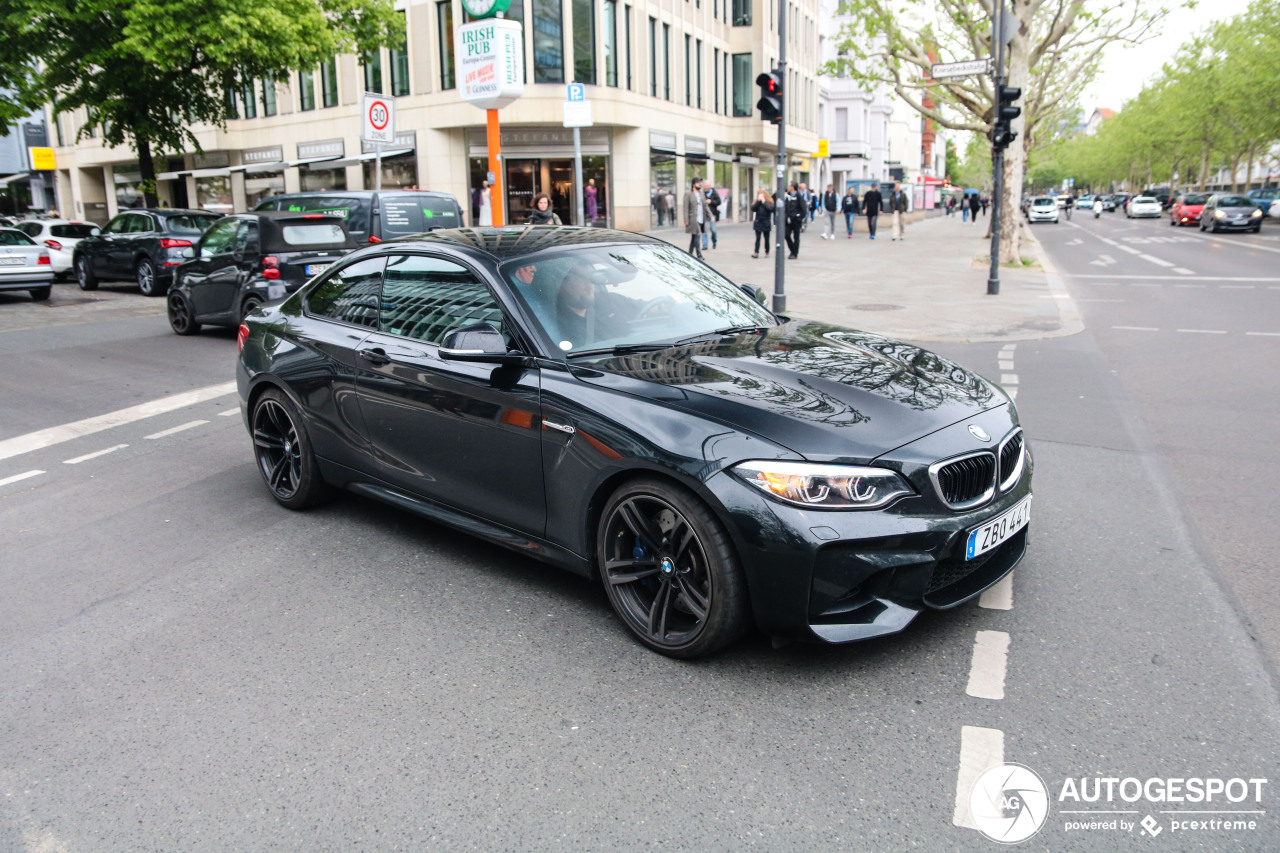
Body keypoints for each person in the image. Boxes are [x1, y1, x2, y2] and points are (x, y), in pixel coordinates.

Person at [684, 176, 707, 259]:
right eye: (698, 183)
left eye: (700, 183)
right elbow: (685, 207)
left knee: (694, 237)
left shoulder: (701, 194)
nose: (700, 184)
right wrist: (686, 219)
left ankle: (689, 253)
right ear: (693, 184)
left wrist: (711, 215)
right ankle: (699, 254)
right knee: (698, 235)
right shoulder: (688, 194)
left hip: (701, 218)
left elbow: (705, 206)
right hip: (693, 218)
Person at [751, 188, 775, 258]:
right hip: (758, 221)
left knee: (766, 238)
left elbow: (770, 209)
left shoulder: (769, 202)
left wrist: (764, 202)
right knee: (758, 238)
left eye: (761, 194)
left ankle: (767, 251)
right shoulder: (757, 202)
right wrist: (758, 201)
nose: (760, 195)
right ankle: (756, 252)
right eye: (758, 194)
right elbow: (753, 208)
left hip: (766, 221)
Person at [784, 182, 805, 259]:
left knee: (796, 237)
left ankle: (794, 253)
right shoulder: (787, 196)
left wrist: (799, 218)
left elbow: (803, 209)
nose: (788, 187)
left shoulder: (798, 196)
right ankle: (793, 249)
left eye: (789, 185)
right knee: (786, 235)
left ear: (793, 187)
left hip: (796, 220)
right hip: (788, 220)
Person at [703, 182, 721, 251]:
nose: (706, 187)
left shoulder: (714, 193)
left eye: (707, 185)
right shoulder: (702, 194)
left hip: (712, 214)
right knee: (704, 230)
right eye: (705, 185)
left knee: (713, 230)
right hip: (704, 214)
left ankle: (714, 241)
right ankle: (705, 245)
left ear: (710, 186)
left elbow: (719, 202)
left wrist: (711, 201)